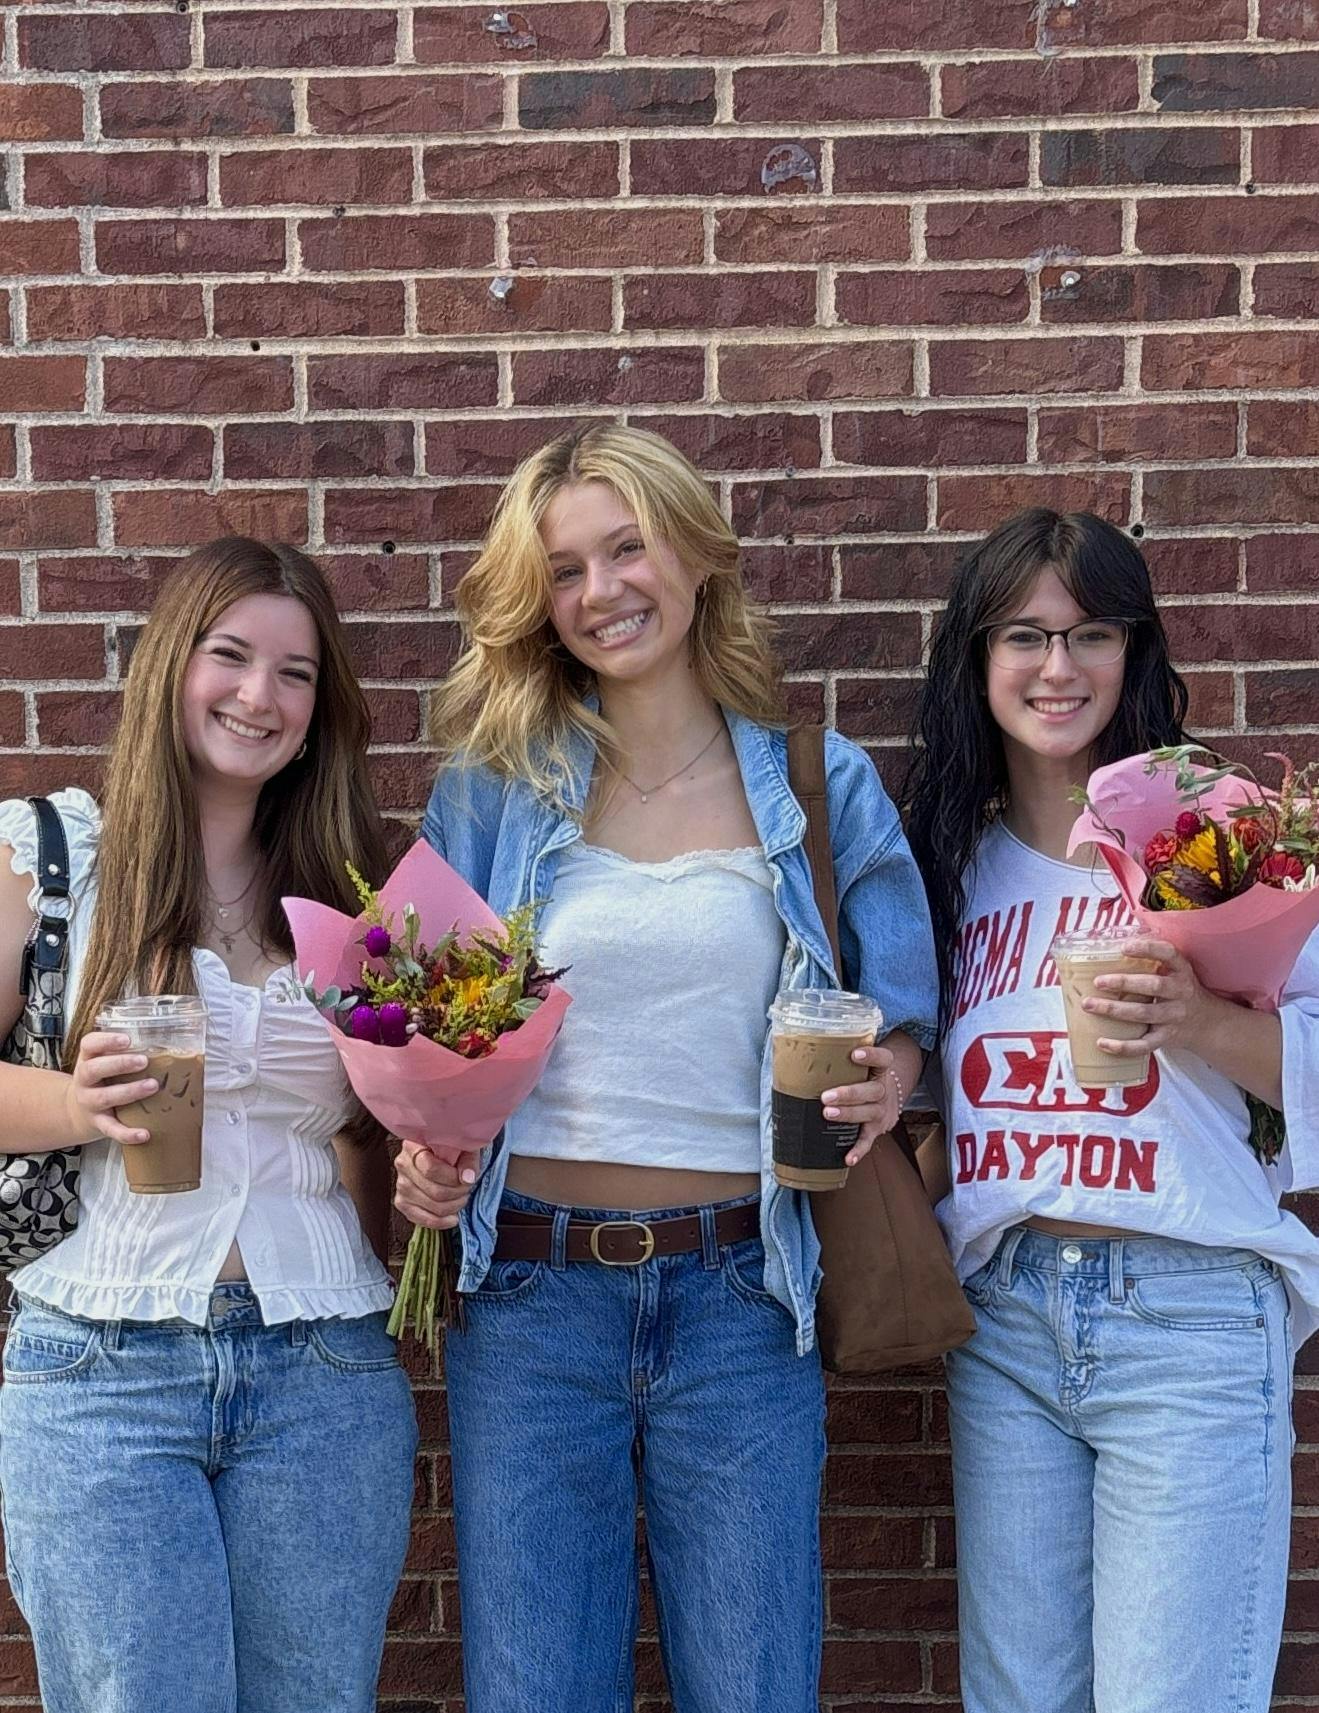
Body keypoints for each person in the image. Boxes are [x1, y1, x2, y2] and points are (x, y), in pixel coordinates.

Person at [393, 422, 938, 1712]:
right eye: (564, 569)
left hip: (743, 1294)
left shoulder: (818, 781)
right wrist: (425, 1151)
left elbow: (906, 1008)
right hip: (529, 1297)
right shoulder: (493, 787)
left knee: (753, 1689)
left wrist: (891, 1078)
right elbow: (409, 1024)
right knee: (536, 1693)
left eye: (625, 548)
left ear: (696, 556)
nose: (598, 593)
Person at [904, 508, 1319, 1713]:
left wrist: (1195, 1021)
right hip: (1006, 1323)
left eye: (1089, 634)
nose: (1055, 668)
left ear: (1134, 654)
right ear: (975, 663)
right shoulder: (950, 862)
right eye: (1022, 636)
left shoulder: (1221, 836)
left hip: (1186, 1311)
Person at [0, 538, 418, 1713]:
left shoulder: (359, 887)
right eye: (230, 656)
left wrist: (427, 1153)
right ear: (170, 666)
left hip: (324, 1363)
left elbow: (371, 1138)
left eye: (295, 673)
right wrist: (73, 1102)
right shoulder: (51, 854)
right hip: (100, 1363)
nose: (260, 696)